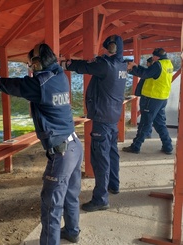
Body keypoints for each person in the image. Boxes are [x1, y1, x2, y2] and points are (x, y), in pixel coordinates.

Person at [0, 43, 84, 244]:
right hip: (73, 145)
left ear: (38, 64)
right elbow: (26, 84)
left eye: (31, 64)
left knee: (50, 206)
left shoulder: (41, 84)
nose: (30, 68)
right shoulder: (59, 76)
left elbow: (16, 86)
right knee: (71, 195)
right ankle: (72, 232)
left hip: (61, 152)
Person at [60, 35, 127, 212]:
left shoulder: (105, 65)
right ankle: (114, 184)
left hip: (102, 118)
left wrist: (66, 64)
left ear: (111, 48)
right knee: (112, 154)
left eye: (106, 48)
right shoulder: (122, 65)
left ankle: (100, 199)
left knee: (100, 159)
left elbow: (85, 67)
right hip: (112, 116)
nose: (104, 51)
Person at [122, 48, 173, 155]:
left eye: (153, 56)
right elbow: (148, 72)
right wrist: (136, 66)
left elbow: (145, 74)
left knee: (145, 123)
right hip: (162, 98)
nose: (152, 58)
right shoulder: (167, 64)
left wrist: (132, 68)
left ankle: (136, 146)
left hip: (151, 98)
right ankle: (168, 146)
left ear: (156, 56)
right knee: (160, 124)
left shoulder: (157, 64)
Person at [134, 57, 155, 138]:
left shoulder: (149, 73)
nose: (147, 64)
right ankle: (147, 132)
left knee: (145, 117)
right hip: (149, 96)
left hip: (146, 96)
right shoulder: (151, 72)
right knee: (148, 117)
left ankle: (142, 133)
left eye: (148, 63)